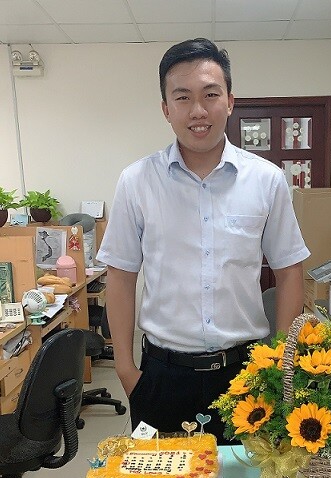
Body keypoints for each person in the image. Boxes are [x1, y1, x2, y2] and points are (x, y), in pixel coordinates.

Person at [96, 38, 310, 444]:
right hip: (161, 378)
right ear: (166, 108)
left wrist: (278, 366)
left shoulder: (266, 180)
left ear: (230, 101)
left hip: (247, 376)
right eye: (183, 97)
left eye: (210, 94)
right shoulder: (137, 182)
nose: (198, 110)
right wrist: (126, 370)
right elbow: (120, 277)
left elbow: (290, 271)